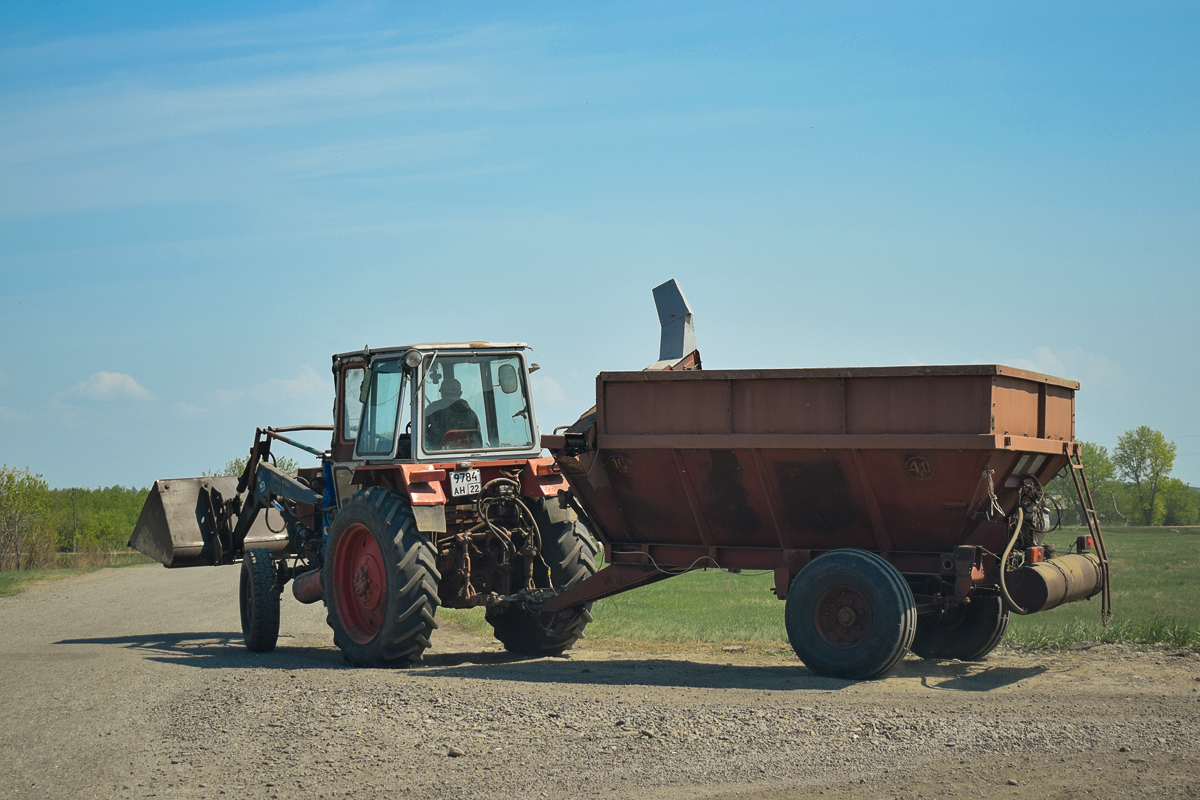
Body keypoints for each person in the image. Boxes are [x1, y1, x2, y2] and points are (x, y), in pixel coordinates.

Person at [424, 377, 481, 449]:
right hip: (469, 453)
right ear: (460, 393)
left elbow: (419, 428)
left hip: (438, 454)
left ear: (442, 393)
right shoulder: (472, 414)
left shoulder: (434, 409)